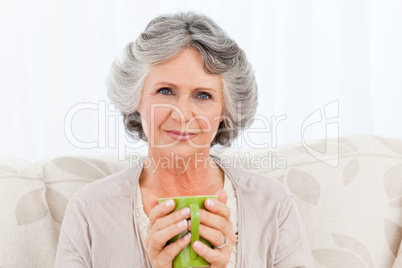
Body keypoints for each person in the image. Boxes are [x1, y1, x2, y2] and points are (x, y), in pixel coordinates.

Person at [55, 12, 314, 267]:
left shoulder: (273, 206)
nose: (182, 113)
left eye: (203, 95)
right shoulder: (90, 210)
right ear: (136, 99)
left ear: (225, 110)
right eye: (165, 91)